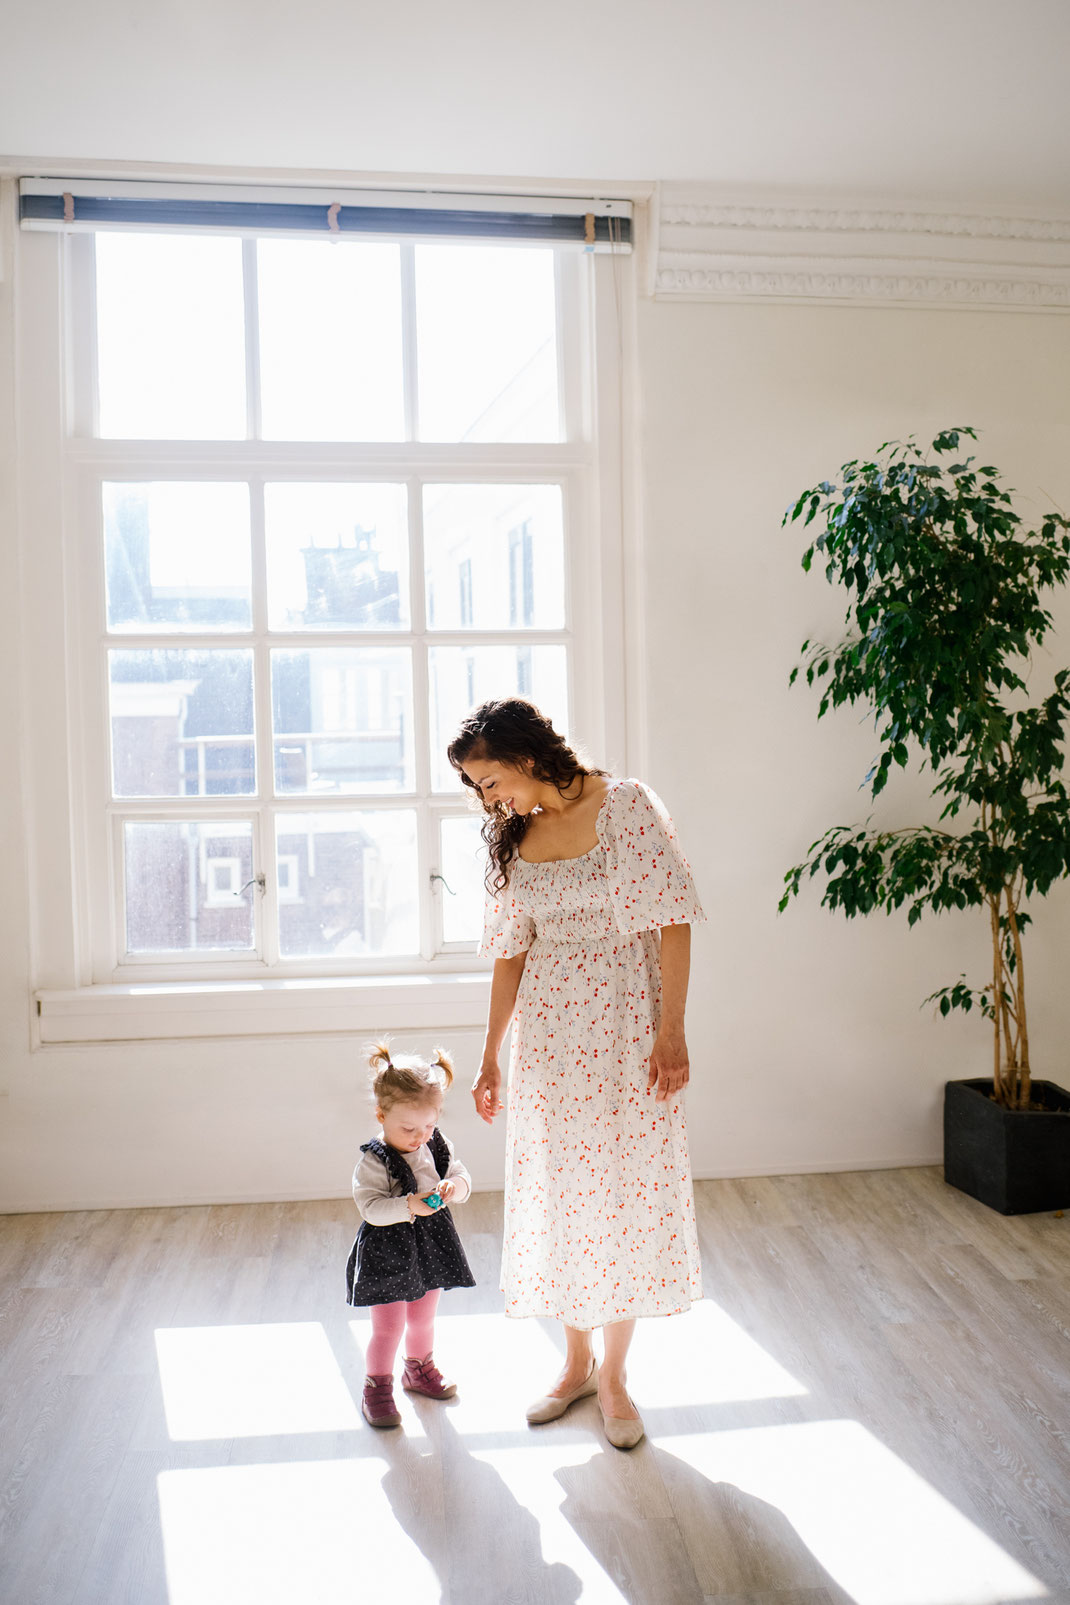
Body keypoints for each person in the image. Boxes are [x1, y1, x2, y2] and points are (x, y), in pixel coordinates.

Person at [448, 698, 706, 1450]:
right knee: (564, 1186)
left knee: (622, 1189)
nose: (488, 799)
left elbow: (672, 919)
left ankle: (617, 1375)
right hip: (552, 1035)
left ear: (528, 755)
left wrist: (672, 1030)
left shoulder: (624, 806)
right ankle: (575, 1364)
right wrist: (492, 1051)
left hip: (628, 1022)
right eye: (478, 789)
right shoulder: (514, 835)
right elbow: (510, 950)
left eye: (489, 780)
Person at [346, 1041, 475, 1428]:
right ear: (381, 1116)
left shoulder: (436, 1144)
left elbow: (461, 1174)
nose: (420, 1136)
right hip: (388, 1251)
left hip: (431, 1246)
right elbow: (369, 1207)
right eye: (408, 1128)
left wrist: (456, 1187)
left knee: (422, 1319)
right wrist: (408, 1206)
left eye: (429, 1125)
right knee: (388, 1327)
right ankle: (377, 1386)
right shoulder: (375, 1160)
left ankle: (418, 1369)